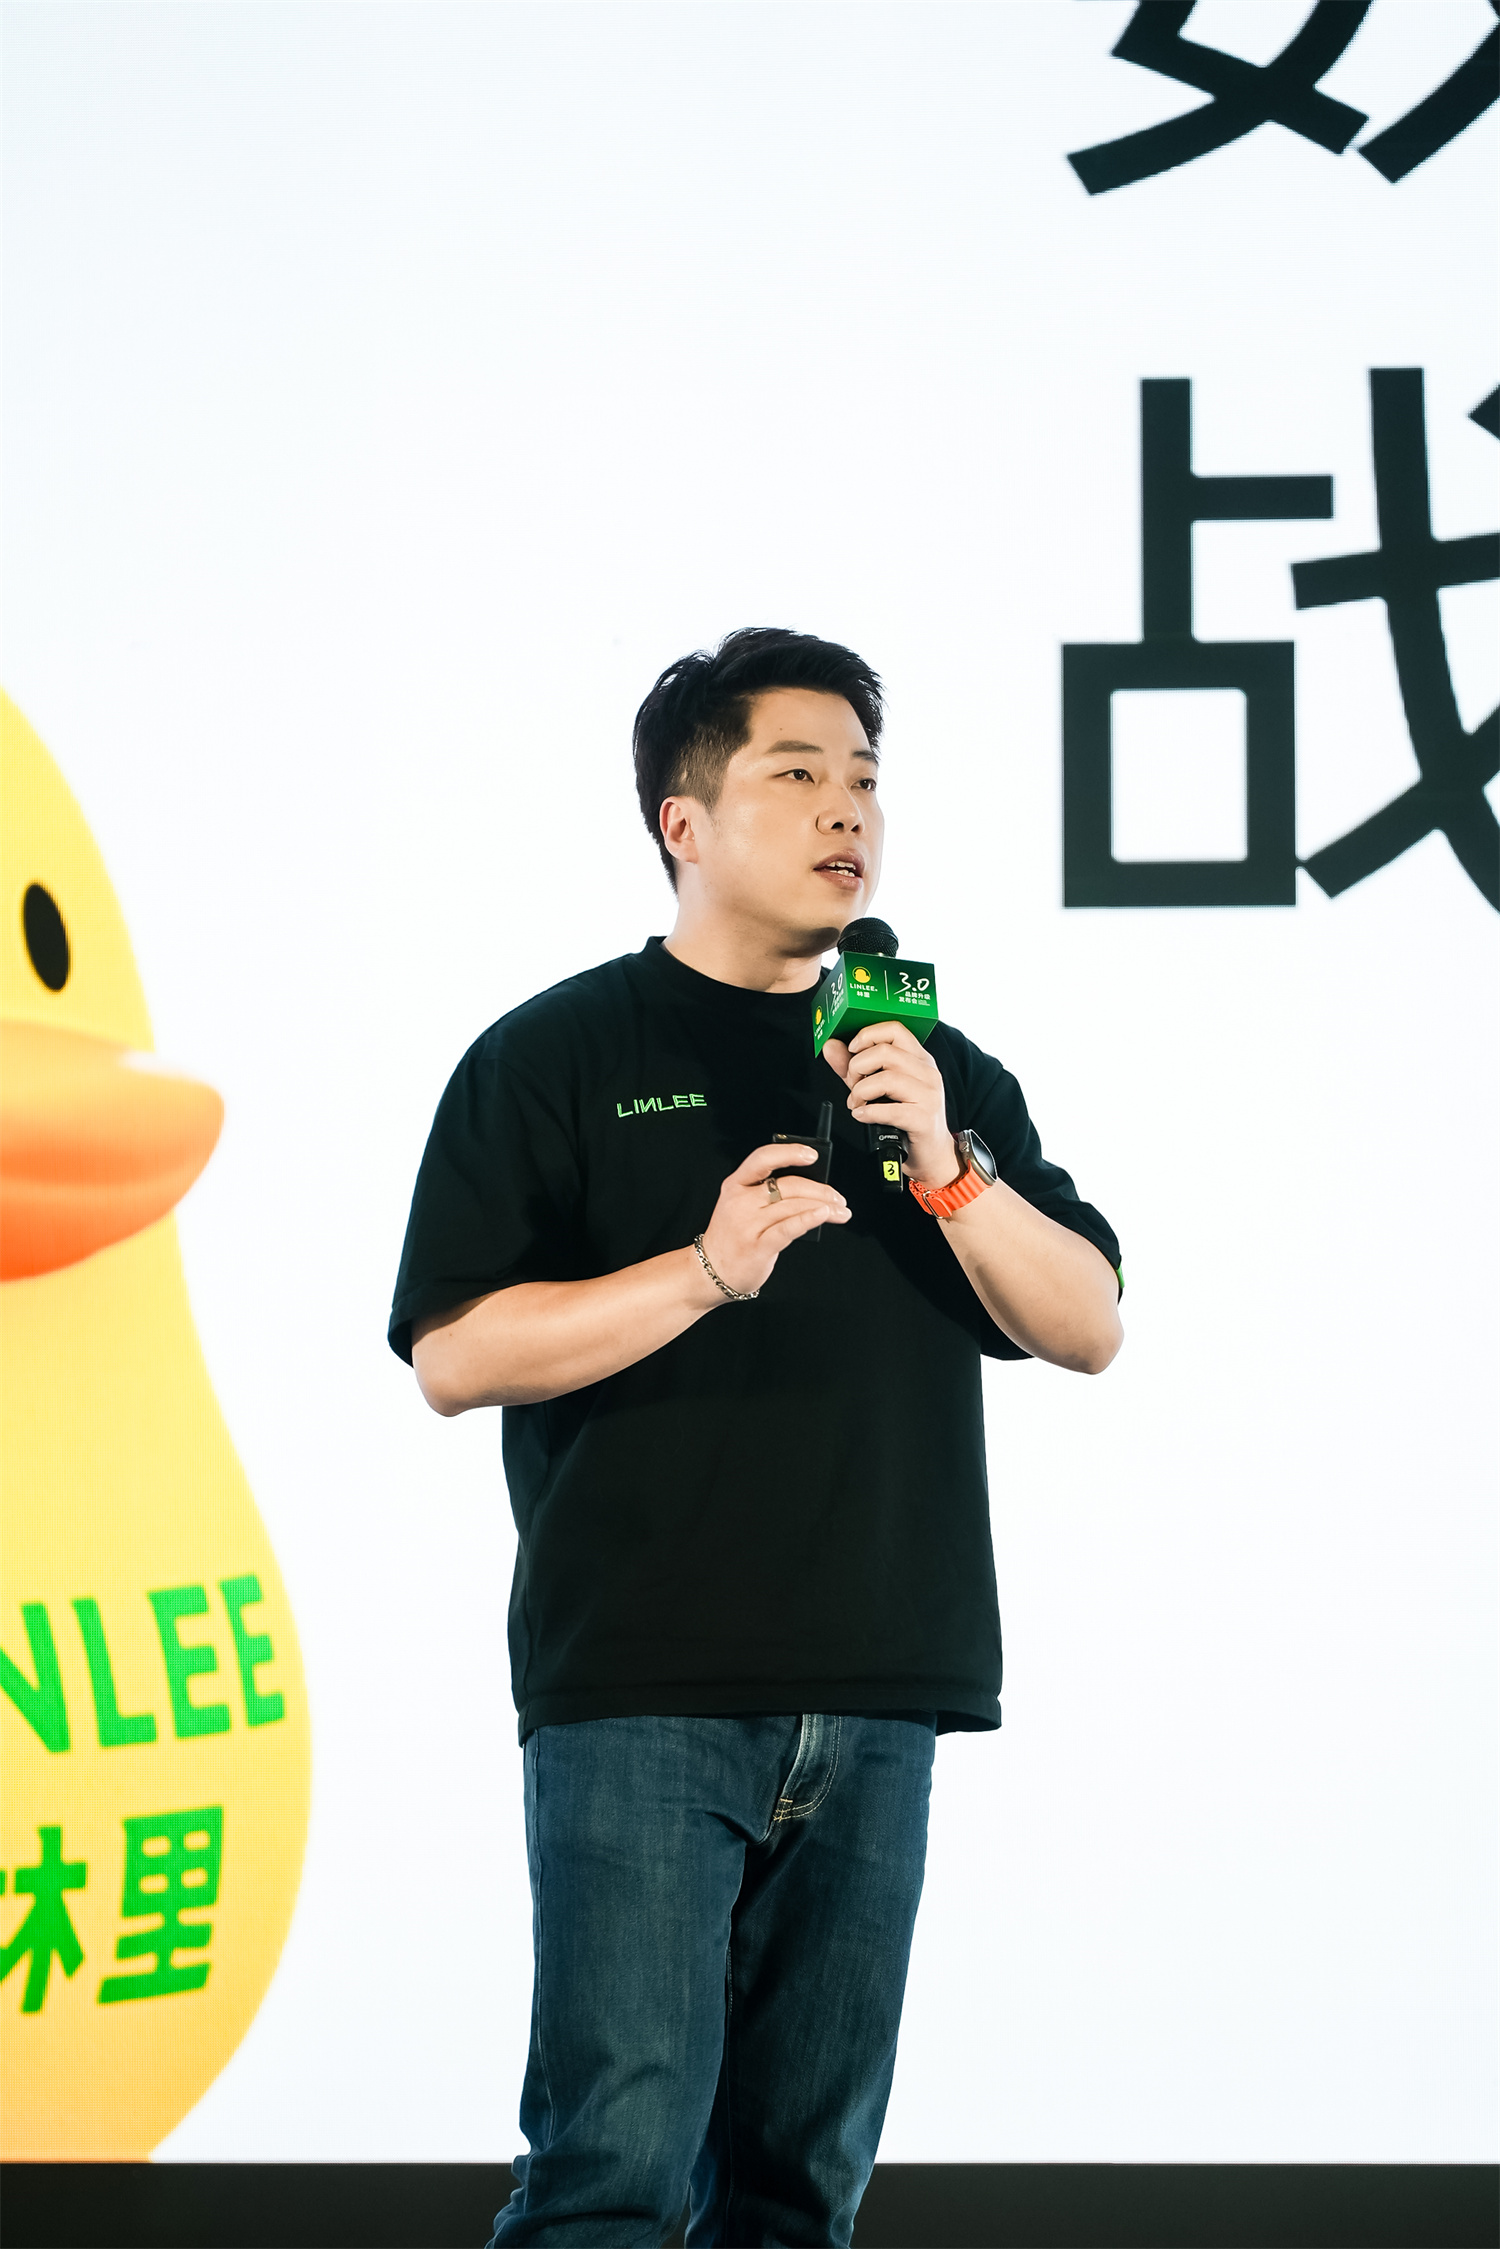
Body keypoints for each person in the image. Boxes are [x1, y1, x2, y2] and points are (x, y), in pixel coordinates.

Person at [388, 627, 1122, 2248]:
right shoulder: (556, 1055)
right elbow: (454, 1351)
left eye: (865, 778)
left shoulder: (936, 1077)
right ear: (685, 820)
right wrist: (704, 1272)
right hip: (643, 1688)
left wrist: (948, 1167)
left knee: (800, 2195)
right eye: (798, 773)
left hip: (883, 1685)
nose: (848, 808)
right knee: (613, 2174)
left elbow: (1088, 1321)